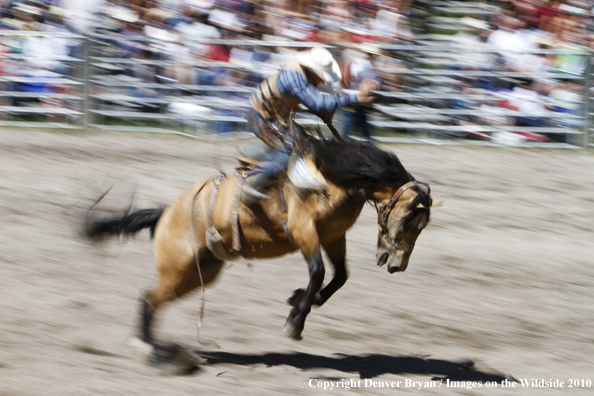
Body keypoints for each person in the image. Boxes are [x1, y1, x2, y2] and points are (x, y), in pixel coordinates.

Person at [243, 47, 376, 204]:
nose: (322, 81)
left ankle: (258, 157)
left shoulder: (301, 74)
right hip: (261, 117)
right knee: (289, 153)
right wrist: (355, 97)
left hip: (275, 118)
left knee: (304, 143)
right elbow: (319, 103)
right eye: (321, 76)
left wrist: (323, 110)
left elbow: (314, 101)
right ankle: (252, 188)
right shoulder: (294, 78)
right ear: (313, 71)